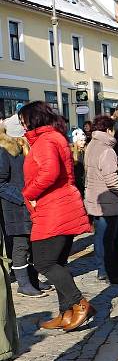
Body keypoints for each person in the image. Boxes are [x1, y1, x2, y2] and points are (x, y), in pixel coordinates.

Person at [18, 102, 93, 332]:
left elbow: (50, 173)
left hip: (54, 208)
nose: (21, 124)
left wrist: (28, 193)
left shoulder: (45, 140)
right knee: (57, 262)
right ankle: (66, 312)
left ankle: (79, 302)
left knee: (44, 262)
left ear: (34, 119)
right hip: (61, 205)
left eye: (23, 120)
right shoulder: (54, 137)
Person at [0, 124, 50, 297]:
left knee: (31, 244)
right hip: (15, 207)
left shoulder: (25, 149)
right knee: (20, 245)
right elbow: (1, 183)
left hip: (30, 205)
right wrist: (23, 198)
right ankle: (23, 283)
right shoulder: (5, 152)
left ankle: (33, 279)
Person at [84, 115, 118, 285]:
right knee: (110, 239)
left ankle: (102, 270)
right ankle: (112, 272)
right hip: (110, 201)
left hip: (96, 200)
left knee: (100, 237)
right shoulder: (106, 150)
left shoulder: (91, 145)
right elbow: (111, 178)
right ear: (109, 130)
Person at [69, 128, 87, 194]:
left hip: (85, 181)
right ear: (76, 141)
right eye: (81, 140)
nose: (83, 142)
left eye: (84, 140)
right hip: (77, 182)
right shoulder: (72, 152)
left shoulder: (86, 150)